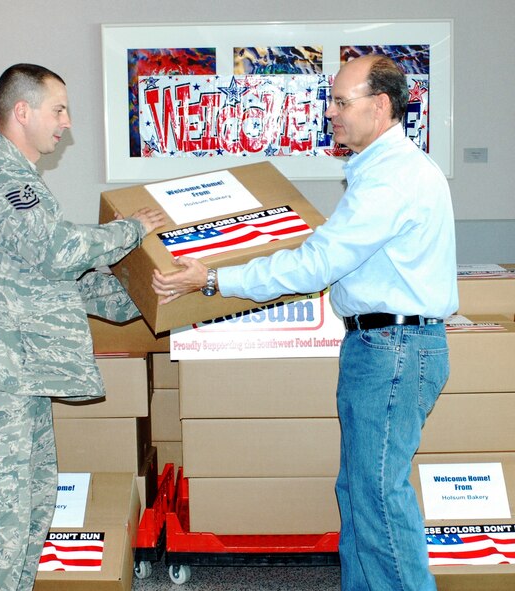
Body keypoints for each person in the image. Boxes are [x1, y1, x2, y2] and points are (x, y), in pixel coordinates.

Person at [151, 54, 458, 590]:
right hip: (384, 346)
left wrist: (214, 278)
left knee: (379, 499)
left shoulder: (392, 178)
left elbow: (318, 263)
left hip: (394, 348)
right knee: (361, 494)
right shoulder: (383, 171)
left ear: (381, 105)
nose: (330, 112)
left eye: (342, 102)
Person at [0, 63, 166, 590]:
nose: (66, 123)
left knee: (33, 510)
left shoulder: (24, 183)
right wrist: (132, 231)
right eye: (58, 109)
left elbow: (64, 280)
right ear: (22, 112)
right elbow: (57, 250)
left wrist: (155, 294)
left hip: (21, 379)